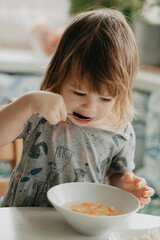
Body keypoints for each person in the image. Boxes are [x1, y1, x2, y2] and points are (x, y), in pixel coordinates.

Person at [0, 8, 154, 207]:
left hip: (82, 225)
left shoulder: (120, 130)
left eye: (106, 99)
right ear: (59, 76)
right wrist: (27, 103)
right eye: (79, 93)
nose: (90, 108)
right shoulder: (39, 111)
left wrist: (127, 186)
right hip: (23, 222)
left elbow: (116, 174)